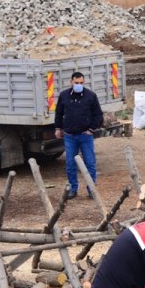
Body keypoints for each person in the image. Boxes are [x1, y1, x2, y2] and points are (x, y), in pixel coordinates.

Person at [54, 71, 103, 199]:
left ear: (84, 82)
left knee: (90, 163)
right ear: (71, 82)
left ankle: (91, 189)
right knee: (70, 164)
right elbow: (58, 113)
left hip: (85, 136)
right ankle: (72, 189)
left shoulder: (90, 96)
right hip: (69, 136)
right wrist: (58, 128)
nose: (78, 85)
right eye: (76, 83)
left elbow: (98, 114)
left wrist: (91, 129)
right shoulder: (64, 95)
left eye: (81, 83)